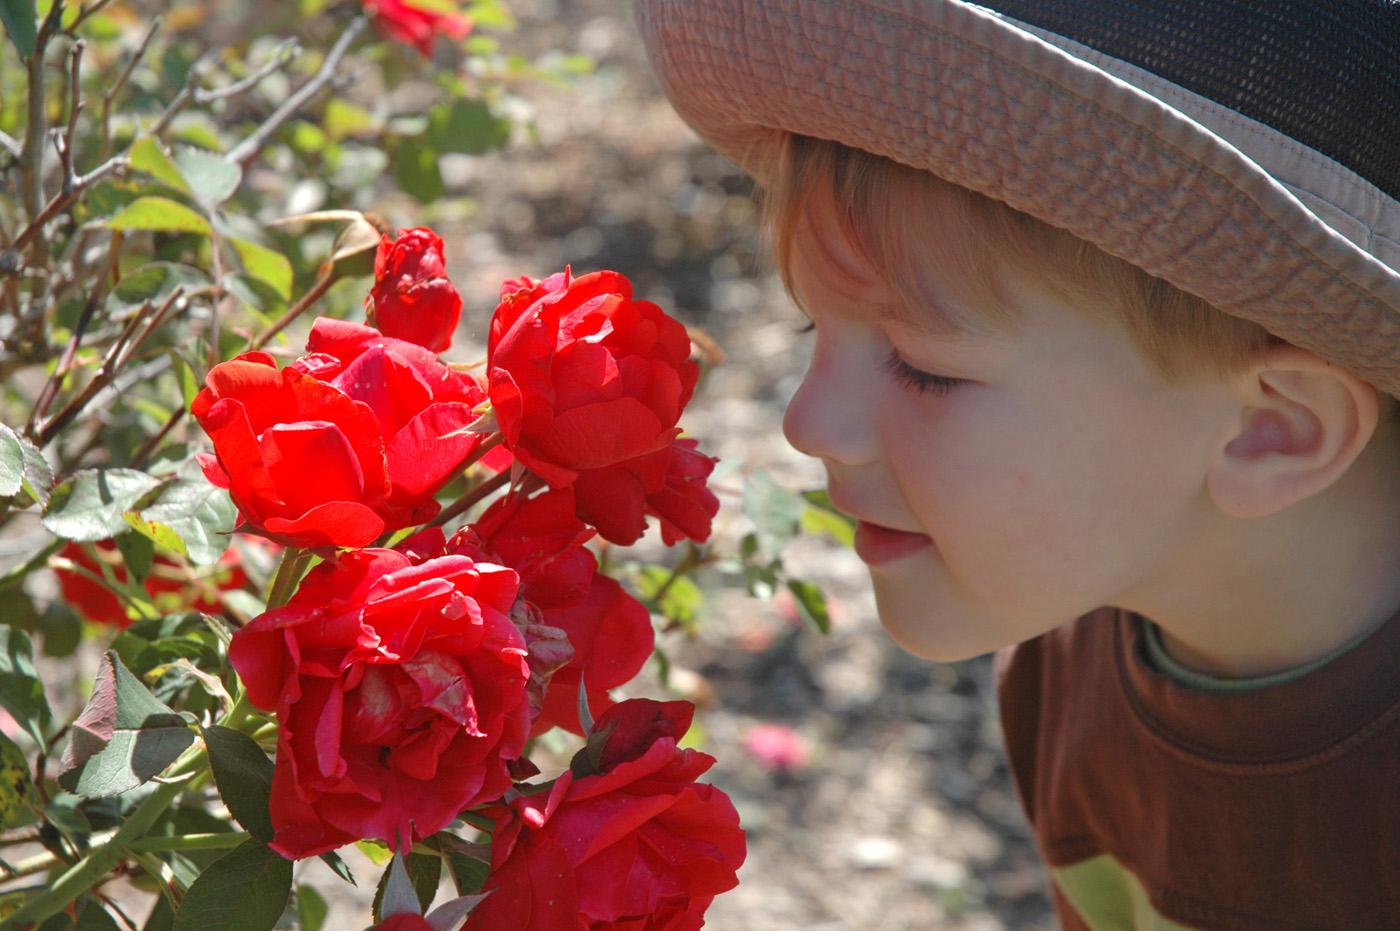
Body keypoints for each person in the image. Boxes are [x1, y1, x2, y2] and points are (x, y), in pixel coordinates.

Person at [636, 1, 1400, 927]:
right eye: (812, 325)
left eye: (926, 368)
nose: (808, 423)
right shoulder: (1068, 653)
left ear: (1274, 431)